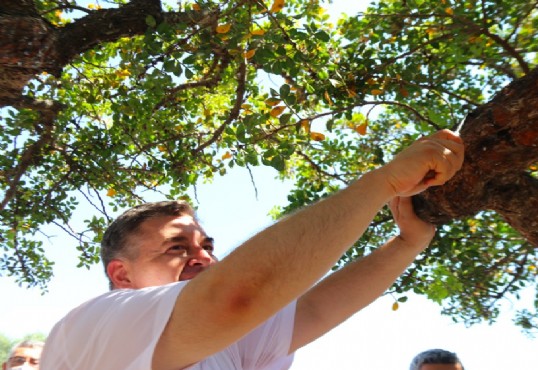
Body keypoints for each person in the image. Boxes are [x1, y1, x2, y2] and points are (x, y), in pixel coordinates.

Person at [41, 129, 464, 370]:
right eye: (175, 247)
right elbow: (238, 297)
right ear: (121, 275)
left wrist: (407, 244)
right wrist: (382, 183)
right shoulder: (92, 325)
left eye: (207, 245)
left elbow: (313, 311)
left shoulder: (226, 345)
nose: (203, 257)